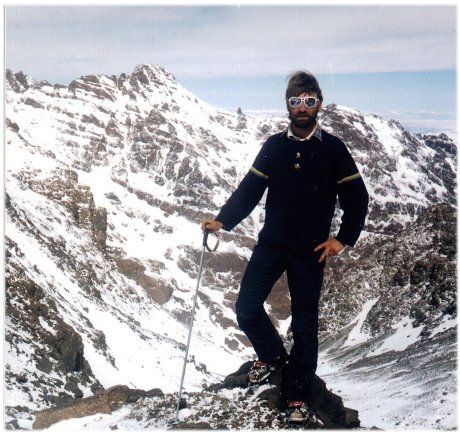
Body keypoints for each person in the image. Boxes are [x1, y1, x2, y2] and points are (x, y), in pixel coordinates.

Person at [201, 70, 369, 424]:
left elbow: (357, 198)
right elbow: (249, 189)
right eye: (296, 101)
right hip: (271, 245)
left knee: (305, 326)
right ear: (288, 106)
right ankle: (273, 356)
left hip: (311, 252)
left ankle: (297, 399)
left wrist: (342, 239)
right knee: (246, 308)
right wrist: (222, 221)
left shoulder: (334, 149)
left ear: (319, 104)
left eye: (309, 100)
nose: (303, 107)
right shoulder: (275, 146)